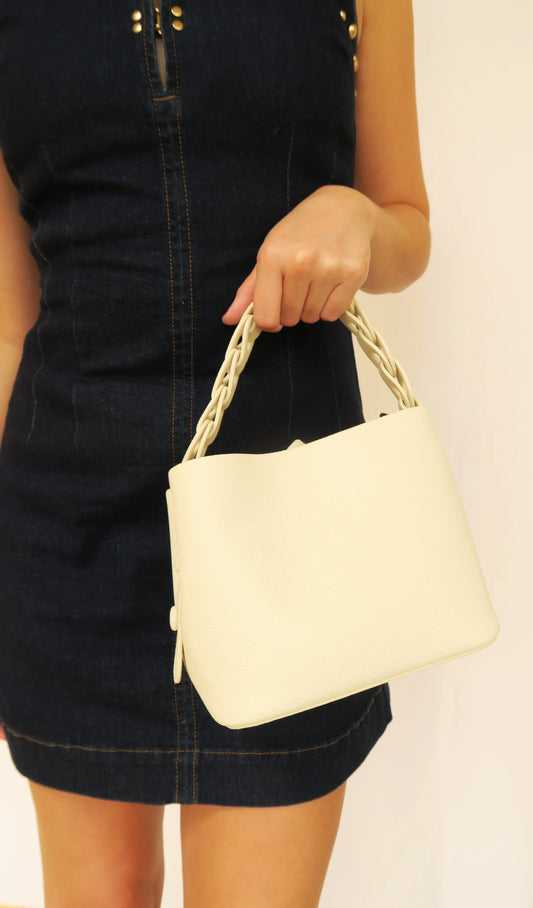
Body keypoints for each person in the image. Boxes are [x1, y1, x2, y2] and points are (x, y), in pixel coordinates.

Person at [0, 0, 430, 905]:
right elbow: (8, 328)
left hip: (292, 519)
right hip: (66, 531)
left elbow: (406, 228)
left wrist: (355, 214)